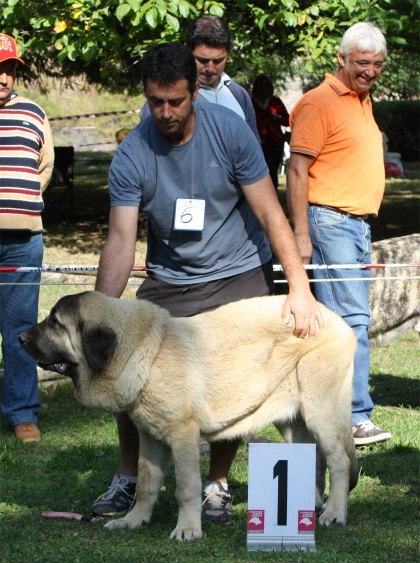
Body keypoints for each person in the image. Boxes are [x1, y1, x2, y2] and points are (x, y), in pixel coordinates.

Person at [90, 43, 323, 522]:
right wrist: (100, 312)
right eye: (156, 101)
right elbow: (119, 240)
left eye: (175, 100)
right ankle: (128, 477)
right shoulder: (133, 152)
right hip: (169, 279)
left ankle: (217, 483)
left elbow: (268, 211)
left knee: (233, 375)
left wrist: (298, 287)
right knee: (131, 365)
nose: (166, 112)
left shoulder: (232, 132)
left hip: (236, 270)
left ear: (195, 91)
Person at [287, 22, 392, 446]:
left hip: (355, 225)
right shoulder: (319, 102)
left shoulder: (361, 99)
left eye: (377, 65)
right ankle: (355, 416)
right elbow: (296, 170)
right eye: (362, 64)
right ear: (342, 60)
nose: (370, 72)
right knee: (353, 321)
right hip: (330, 221)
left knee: (340, 323)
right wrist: (300, 234)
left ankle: (330, 410)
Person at [0, 33, 54, 442]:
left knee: (19, 328)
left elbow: (45, 167)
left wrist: (21, 204)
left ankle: (22, 412)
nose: (3, 78)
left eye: (8, 69)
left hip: (23, 240)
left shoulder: (34, 113)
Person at [141, 15, 259, 140]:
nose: (210, 68)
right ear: (187, 51)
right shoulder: (164, 99)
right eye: (202, 60)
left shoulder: (239, 95)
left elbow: (255, 149)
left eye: (218, 60)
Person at [252, 75, 290, 189]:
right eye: (261, 86)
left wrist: (277, 118)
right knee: (259, 172)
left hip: (275, 142)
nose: (264, 89)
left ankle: (274, 197)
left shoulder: (275, 102)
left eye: (266, 86)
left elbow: (288, 120)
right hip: (257, 143)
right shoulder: (251, 102)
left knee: (273, 171)